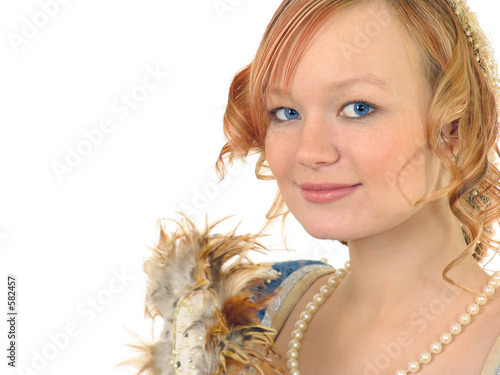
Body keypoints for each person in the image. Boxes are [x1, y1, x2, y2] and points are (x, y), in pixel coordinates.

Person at [132, 0, 500, 374]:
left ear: (456, 128)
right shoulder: (244, 317)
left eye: (358, 108)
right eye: (286, 112)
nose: (310, 152)